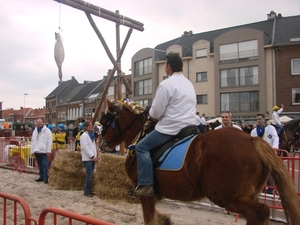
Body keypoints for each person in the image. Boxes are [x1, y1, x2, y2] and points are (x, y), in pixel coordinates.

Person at [133, 52, 197, 197]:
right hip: (190, 127)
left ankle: (146, 185)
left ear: (168, 67)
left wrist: (150, 112)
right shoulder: (189, 84)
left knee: (141, 147)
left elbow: (155, 113)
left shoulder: (166, 84)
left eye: (165, 65)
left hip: (171, 129)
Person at [251, 113, 279, 194]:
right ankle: (261, 188)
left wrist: (275, 147)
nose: (258, 120)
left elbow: (275, 138)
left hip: (269, 153)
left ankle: (270, 189)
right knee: (259, 171)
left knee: (269, 171)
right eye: (257, 119)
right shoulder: (254, 131)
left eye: (260, 119)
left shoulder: (271, 128)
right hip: (258, 154)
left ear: (264, 119)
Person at [30, 118, 52, 184]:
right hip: (36, 150)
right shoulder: (35, 131)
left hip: (44, 151)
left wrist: (48, 150)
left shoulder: (47, 131)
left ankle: (45, 178)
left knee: (44, 165)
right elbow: (33, 141)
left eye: (40, 122)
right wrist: (32, 151)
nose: (39, 124)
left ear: (43, 123)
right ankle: (41, 176)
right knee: (39, 165)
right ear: (36, 123)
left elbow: (49, 141)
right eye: (38, 123)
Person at [80, 121, 99, 197]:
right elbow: (85, 148)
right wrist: (92, 156)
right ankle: (87, 191)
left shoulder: (91, 135)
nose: (91, 127)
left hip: (92, 158)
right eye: (89, 126)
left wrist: (95, 155)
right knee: (89, 175)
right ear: (85, 127)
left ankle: (89, 190)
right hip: (88, 159)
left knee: (91, 174)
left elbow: (93, 147)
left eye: (91, 125)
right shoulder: (83, 136)